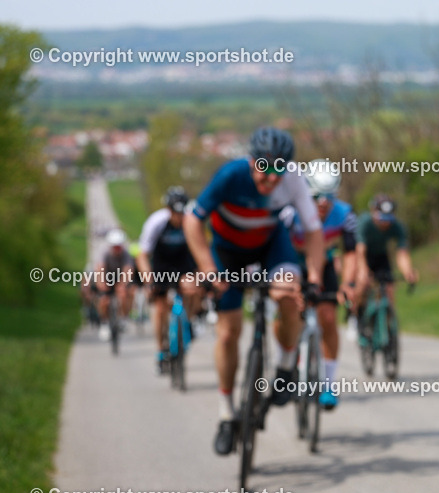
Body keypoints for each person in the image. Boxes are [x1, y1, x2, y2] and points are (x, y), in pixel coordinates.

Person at [183, 127, 325, 456]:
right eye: (265, 166)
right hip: (227, 252)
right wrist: (208, 270)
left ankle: (286, 369)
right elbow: (193, 222)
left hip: (270, 247)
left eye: (280, 168)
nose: (272, 177)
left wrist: (314, 278)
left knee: (289, 293)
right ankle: (226, 414)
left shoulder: (292, 179)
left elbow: (313, 232)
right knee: (228, 333)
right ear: (251, 161)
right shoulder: (230, 175)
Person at [285, 160, 358, 410]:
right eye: (317, 196)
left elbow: (350, 253)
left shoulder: (345, 214)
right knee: (291, 314)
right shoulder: (289, 210)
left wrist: (347, 283)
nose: (324, 202)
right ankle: (288, 366)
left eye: (330, 196)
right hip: (291, 263)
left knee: (328, 317)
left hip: (324, 265)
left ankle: (328, 383)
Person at [137, 186, 203, 371]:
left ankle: (188, 321)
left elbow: (200, 250)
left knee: (194, 288)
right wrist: (148, 280)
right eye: (175, 212)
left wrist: (203, 274)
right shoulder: (156, 222)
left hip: (183, 263)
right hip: (161, 265)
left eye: (181, 213)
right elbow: (142, 255)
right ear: (168, 210)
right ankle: (160, 349)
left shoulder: (191, 221)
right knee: (159, 308)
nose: (178, 217)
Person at [354, 193, 418, 322]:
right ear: (373, 212)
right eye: (382, 218)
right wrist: (363, 271)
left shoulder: (397, 227)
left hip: (381, 257)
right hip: (364, 256)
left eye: (388, 219)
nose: (385, 223)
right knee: (362, 284)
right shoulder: (365, 222)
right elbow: (360, 250)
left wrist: (407, 271)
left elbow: (402, 253)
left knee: (389, 289)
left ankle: (389, 324)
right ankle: (356, 316)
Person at [94, 228, 137, 341]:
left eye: (119, 246)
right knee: (104, 300)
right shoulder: (104, 252)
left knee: (124, 294)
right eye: (115, 246)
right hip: (106, 276)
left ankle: (123, 318)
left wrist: (122, 284)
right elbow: (100, 269)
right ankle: (104, 322)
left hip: (119, 277)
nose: (117, 249)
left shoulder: (126, 254)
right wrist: (102, 283)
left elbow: (128, 270)